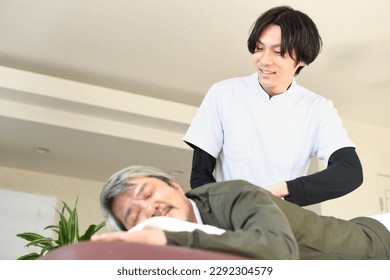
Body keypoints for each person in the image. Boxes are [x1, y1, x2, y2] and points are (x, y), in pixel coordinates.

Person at [182, 6, 363, 206]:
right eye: (259, 48)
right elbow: (200, 176)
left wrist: (277, 191)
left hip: (280, 218)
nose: (264, 60)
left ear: (302, 60)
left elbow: (350, 172)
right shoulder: (223, 93)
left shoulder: (318, 109)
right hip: (226, 215)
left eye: (278, 52)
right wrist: (219, 212)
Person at [92, 165, 390, 260]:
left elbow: (277, 251)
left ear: (175, 185)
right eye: (134, 215)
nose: (150, 207)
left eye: (147, 194)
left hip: (378, 239)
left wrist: (168, 240)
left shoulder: (233, 194)